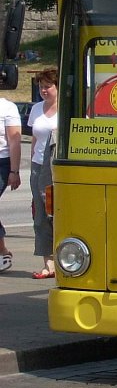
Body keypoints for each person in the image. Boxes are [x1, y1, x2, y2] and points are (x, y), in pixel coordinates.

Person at [28, 68, 58, 278]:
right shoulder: (36, 108)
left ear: (57, 87)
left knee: (55, 214)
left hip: (57, 169)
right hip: (38, 167)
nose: (44, 90)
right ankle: (48, 264)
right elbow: (34, 140)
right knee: (40, 215)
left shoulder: (68, 109)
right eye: (41, 87)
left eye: (48, 86)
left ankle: (65, 260)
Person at [0, 94, 23, 273]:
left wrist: (14, 171)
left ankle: (2, 252)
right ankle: (2, 251)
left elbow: (14, 140)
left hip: (2, 161)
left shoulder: (7, 107)